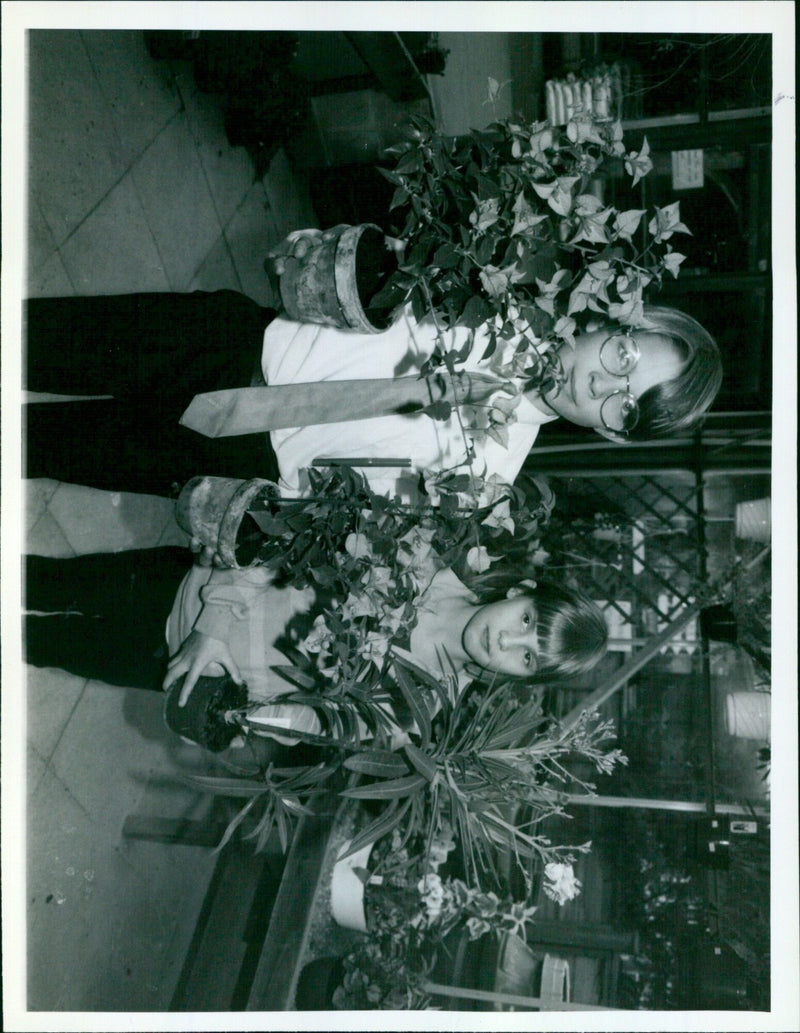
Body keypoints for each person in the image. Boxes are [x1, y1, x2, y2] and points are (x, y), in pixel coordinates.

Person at [24, 258, 722, 502]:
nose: (600, 385)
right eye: (624, 359)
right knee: (37, 341)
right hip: (228, 341)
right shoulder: (496, 278)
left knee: (41, 447)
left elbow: (339, 506)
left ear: (609, 430)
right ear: (618, 321)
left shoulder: (487, 480)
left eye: (624, 408)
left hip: (227, 454)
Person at [23, 545, 608, 745]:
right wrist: (212, 628)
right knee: (41, 578)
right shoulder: (423, 555)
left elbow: (311, 723)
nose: (505, 638)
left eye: (526, 656)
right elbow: (281, 544)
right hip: (188, 591)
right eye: (527, 620)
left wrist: (241, 715)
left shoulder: (419, 706)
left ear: (522, 678)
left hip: (174, 669)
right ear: (522, 589)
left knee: (44, 642)